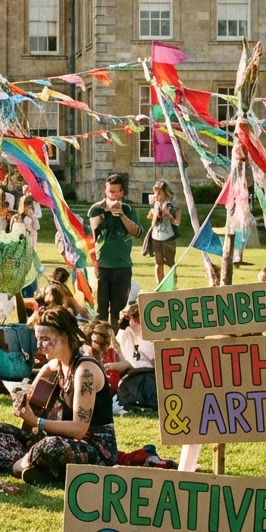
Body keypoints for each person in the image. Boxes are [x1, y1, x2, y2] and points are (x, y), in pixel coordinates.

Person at [0, 307, 117, 485]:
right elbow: (34, 400)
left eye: (45, 339)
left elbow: (79, 429)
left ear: (65, 337)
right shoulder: (55, 366)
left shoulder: (85, 370)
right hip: (55, 439)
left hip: (92, 449)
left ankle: (16, 465)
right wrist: (23, 398)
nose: (39, 346)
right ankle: (34, 465)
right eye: (38, 339)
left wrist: (36, 421)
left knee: (49, 445)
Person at [88, 173, 141, 323]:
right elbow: (91, 231)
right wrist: (105, 213)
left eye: (117, 192)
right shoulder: (96, 209)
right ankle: (102, 336)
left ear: (122, 192)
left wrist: (122, 215)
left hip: (122, 265)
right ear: (105, 190)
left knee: (119, 310)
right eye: (111, 191)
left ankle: (117, 335)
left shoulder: (128, 209)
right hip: (102, 266)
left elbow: (137, 232)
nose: (114, 195)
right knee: (101, 311)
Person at [105, 302, 157, 409]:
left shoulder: (153, 336)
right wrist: (123, 325)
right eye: (135, 320)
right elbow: (119, 346)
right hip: (132, 375)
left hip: (150, 375)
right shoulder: (127, 333)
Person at [146, 180, 181, 286]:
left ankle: (172, 285)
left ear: (165, 192)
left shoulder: (170, 205)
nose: (156, 195)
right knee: (158, 263)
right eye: (155, 192)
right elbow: (152, 220)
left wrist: (170, 217)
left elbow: (177, 222)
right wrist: (153, 214)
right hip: (156, 236)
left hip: (168, 237)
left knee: (170, 262)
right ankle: (159, 286)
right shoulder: (156, 204)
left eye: (159, 192)